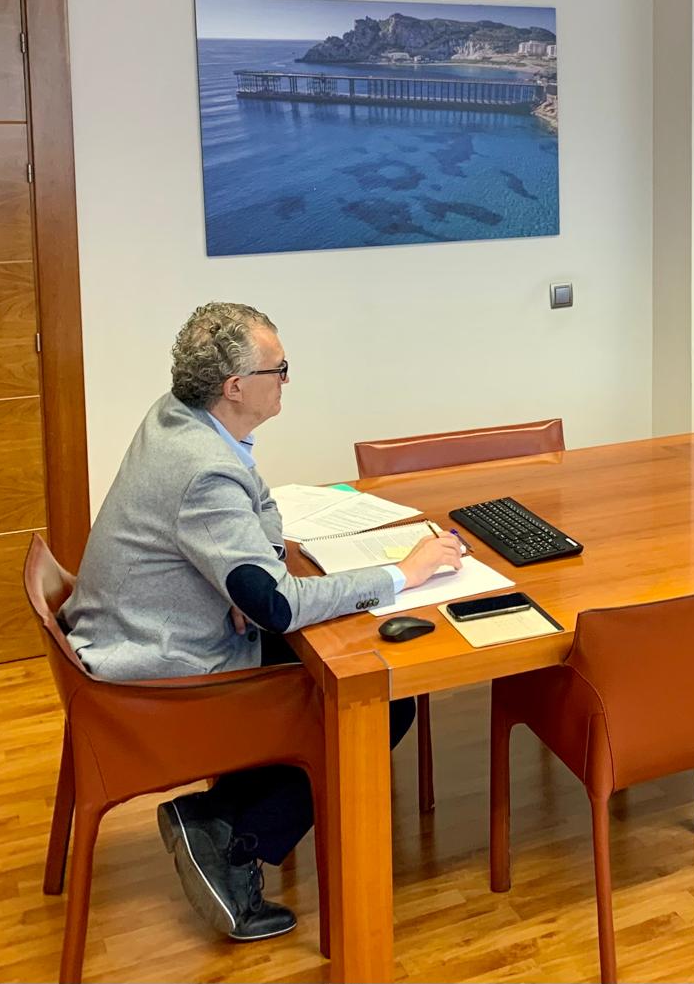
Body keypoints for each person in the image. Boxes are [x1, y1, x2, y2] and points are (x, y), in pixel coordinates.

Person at [62, 302, 464, 942]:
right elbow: (276, 605)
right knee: (377, 701)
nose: (286, 379)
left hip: (128, 629)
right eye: (279, 368)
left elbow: (258, 514)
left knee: (347, 670)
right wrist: (403, 575)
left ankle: (223, 819)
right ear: (236, 387)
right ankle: (223, 832)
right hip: (158, 674)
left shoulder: (179, 418)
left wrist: (252, 564)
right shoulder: (203, 470)